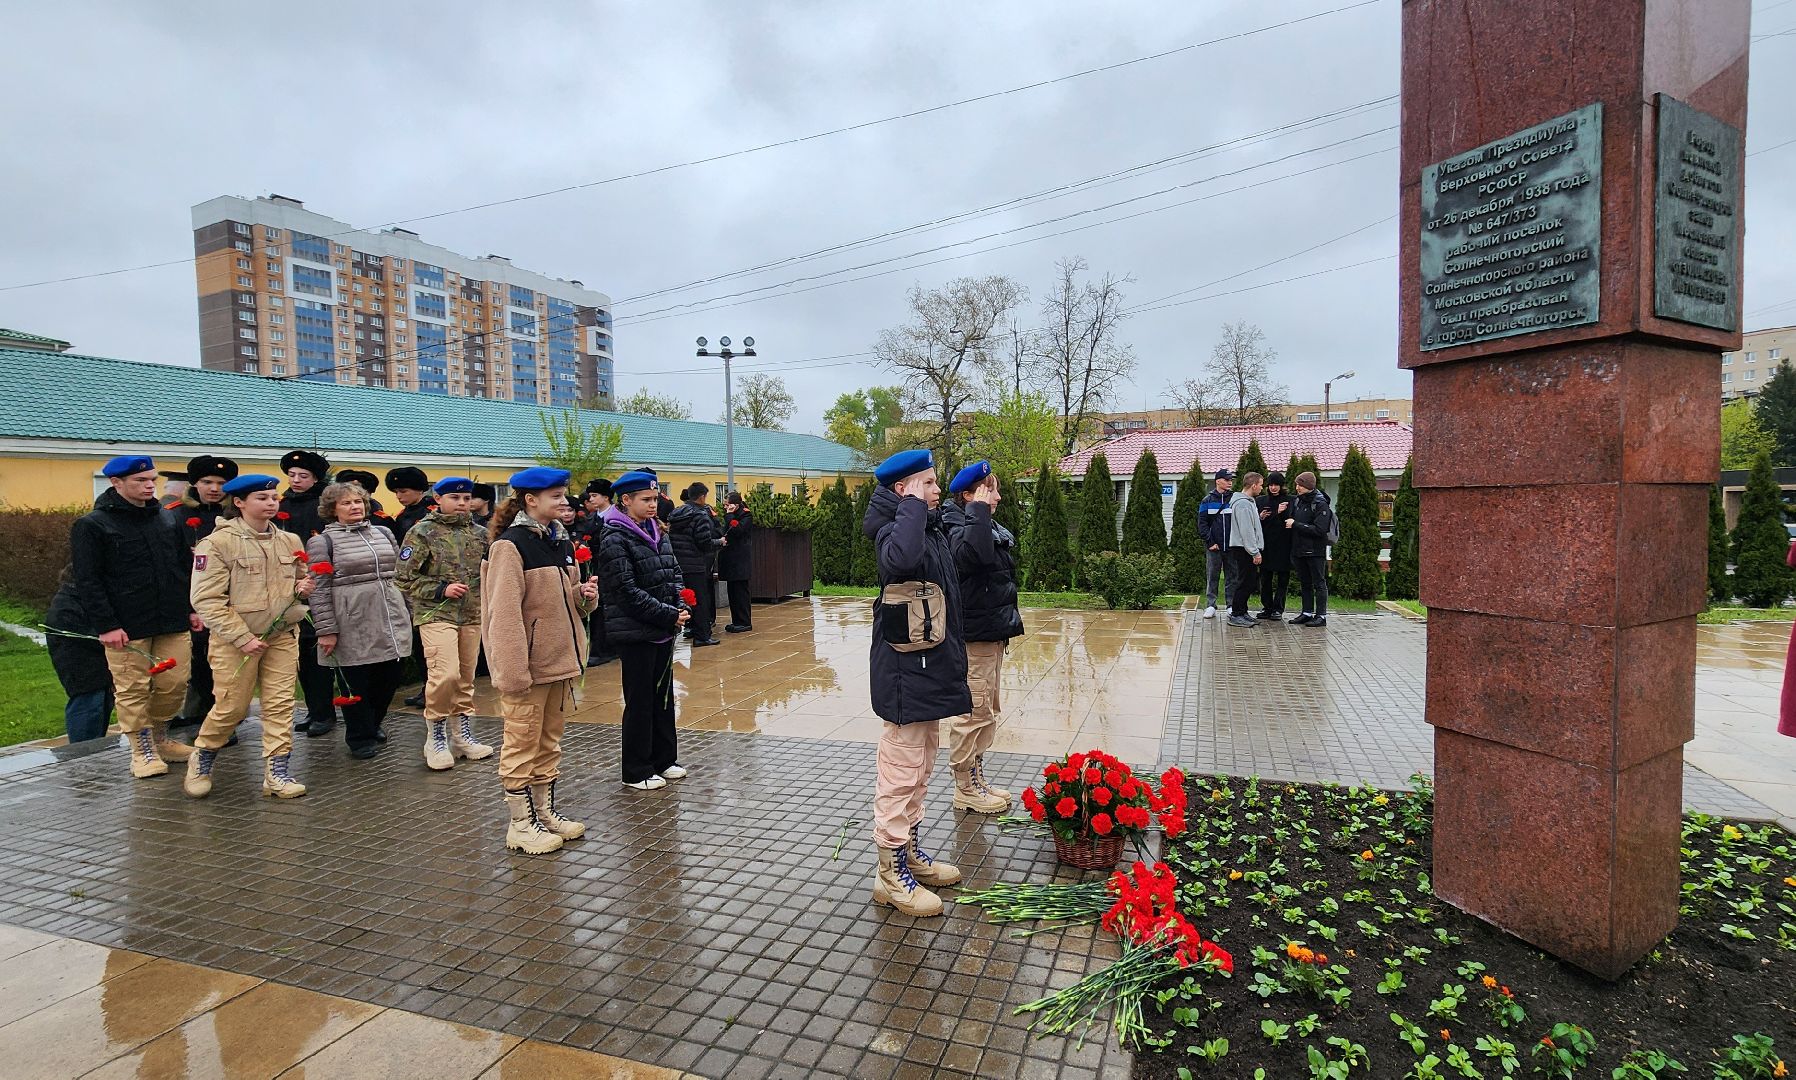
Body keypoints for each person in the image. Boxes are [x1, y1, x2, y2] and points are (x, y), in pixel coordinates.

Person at [864, 448, 968, 918]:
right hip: (905, 676)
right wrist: (910, 504)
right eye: (927, 483)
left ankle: (908, 854)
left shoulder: (926, 525)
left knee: (921, 768)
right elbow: (900, 560)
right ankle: (890, 874)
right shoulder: (896, 529)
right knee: (901, 770)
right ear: (902, 490)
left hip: (927, 670)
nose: (937, 491)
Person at [483, 467, 599, 854]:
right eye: (556, 496)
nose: (565, 502)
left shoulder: (560, 541)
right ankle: (519, 825)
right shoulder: (510, 546)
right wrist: (513, 672)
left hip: (559, 662)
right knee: (520, 743)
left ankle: (545, 814)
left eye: (564, 495)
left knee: (549, 743)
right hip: (527, 669)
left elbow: (571, 606)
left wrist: (585, 595)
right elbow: (503, 614)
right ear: (530, 500)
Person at [185, 474, 316, 799]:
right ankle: (202, 755)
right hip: (236, 642)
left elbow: (300, 581)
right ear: (239, 503)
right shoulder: (217, 544)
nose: (271, 502)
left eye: (273, 497)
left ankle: (277, 773)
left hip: (282, 636)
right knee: (232, 706)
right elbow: (206, 599)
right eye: (262, 497)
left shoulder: (290, 541)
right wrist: (241, 636)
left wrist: (303, 590)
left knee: (280, 705)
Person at [67, 455, 199, 777]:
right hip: (126, 624)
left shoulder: (167, 519)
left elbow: (183, 567)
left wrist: (192, 608)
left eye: (152, 479)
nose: (149, 485)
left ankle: (160, 738)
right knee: (133, 687)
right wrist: (107, 625)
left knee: (175, 683)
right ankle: (141, 751)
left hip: (170, 618)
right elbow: (88, 580)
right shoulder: (92, 525)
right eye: (141, 481)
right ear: (116, 483)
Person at [597, 470, 691, 793]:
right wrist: (669, 614)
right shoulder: (614, 536)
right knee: (640, 701)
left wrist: (681, 602)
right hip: (637, 631)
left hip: (664, 627)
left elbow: (673, 572)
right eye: (646, 500)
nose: (653, 505)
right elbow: (626, 591)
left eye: (655, 499)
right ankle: (636, 769)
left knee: (663, 697)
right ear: (626, 500)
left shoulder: (657, 530)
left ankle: (664, 758)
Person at [307, 481, 412, 760]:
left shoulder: (383, 532)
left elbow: (401, 574)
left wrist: (409, 610)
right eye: (346, 503)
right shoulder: (322, 542)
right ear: (332, 509)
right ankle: (359, 736)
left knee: (388, 676)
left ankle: (373, 723)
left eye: (358, 502)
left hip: (389, 613)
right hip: (350, 617)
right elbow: (318, 589)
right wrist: (326, 629)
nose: (354, 507)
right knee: (355, 681)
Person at [397, 477, 495, 769]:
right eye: (454, 498)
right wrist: (441, 589)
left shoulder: (480, 534)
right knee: (445, 675)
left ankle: (461, 737)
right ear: (437, 499)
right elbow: (403, 577)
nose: (462, 504)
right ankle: (435, 736)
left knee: (466, 678)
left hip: (471, 614)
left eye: (466, 499)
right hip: (435, 613)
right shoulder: (422, 532)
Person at [942, 460, 1022, 815]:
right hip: (973, 636)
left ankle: (976, 778)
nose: (999, 498)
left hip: (990, 632)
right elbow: (972, 556)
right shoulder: (955, 524)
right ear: (968, 495)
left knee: (987, 710)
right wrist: (977, 507)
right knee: (971, 712)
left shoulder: (978, 523)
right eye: (991, 490)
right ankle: (964, 788)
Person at [168, 454, 237, 733]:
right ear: (194, 483)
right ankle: (196, 714)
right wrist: (189, 608)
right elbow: (173, 565)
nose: (214, 488)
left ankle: (224, 719)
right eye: (207, 482)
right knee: (197, 662)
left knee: (226, 664)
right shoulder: (175, 515)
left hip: (232, 600)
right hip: (194, 600)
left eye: (221, 483)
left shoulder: (236, 514)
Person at [280, 450, 339, 738]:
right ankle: (315, 709)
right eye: (291, 475)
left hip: (321, 582)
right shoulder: (281, 504)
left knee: (321, 651)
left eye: (303, 476)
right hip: (290, 585)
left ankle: (327, 712)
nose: (296, 480)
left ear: (315, 478)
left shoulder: (323, 506)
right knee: (301, 652)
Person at [45, 566, 114, 743]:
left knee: (99, 707)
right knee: (88, 708)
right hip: (82, 670)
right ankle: (81, 750)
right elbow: (88, 635)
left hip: (93, 669)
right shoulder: (66, 605)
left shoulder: (72, 600)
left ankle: (93, 745)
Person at [670, 482, 725, 648]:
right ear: (702, 497)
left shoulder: (676, 513)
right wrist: (719, 542)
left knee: (686, 596)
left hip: (679, 563)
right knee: (700, 599)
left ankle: (690, 628)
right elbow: (704, 542)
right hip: (695, 563)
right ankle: (702, 635)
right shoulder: (699, 514)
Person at [574, 480, 618, 664]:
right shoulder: (592, 518)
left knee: (612, 608)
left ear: (606, 497)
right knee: (598, 610)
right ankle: (599, 649)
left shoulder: (616, 517)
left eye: (594, 496)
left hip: (612, 568)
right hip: (594, 569)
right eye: (590, 496)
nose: (590, 499)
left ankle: (609, 648)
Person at [1289, 471, 1334, 628]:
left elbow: (1320, 530)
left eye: (1300, 485)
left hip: (1315, 551)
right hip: (1299, 550)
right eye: (1297, 484)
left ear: (1308, 486)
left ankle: (1321, 615)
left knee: (1319, 583)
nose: (1297, 488)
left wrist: (1295, 524)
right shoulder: (1298, 502)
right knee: (1305, 582)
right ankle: (1307, 612)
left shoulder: (1320, 504)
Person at [1226, 472, 1265, 628]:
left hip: (1245, 548)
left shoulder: (1249, 502)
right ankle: (1236, 614)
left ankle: (1242, 611)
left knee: (1249, 581)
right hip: (1244, 548)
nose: (1262, 488)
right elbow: (1246, 530)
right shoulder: (1243, 504)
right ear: (1254, 485)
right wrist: (1254, 551)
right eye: (1261, 485)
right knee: (1245, 582)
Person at [1257, 471, 1296, 621]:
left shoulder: (1290, 500)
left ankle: (1278, 609)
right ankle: (1267, 607)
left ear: (1282, 486)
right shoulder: (1260, 501)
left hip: (1284, 545)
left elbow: (1290, 522)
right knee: (1265, 578)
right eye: (1271, 485)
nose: (1273, 488)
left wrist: (1281, 513)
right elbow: (1256, 523)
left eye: (1276, 485)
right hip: (1266, 545)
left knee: (1282, 579)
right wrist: (1262, 517)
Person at [1197, 469, 1235, 620]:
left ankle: (1231, 605)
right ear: (1218, 481)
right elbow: (1202, 523)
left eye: (1231, 479)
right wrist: (1210, 542)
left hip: (1231, 546)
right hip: (1214, 547)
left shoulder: (1234, 499)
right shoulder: (1207, 500)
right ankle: (1211, 605)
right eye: (1226, 479)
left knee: (1232, 576)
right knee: (1212, 575)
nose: (1230, 482)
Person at [719, 490, 755, 633]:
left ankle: (744, 621)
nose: (726, 507)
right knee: (732, 592)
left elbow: (737, 530)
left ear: (736, 505)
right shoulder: (732, 515)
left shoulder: (746, 515)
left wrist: (729, 515)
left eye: (728, 505)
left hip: (740, 560)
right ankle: (736, 621)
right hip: (730, 559)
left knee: (741, 592)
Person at [386, 467, 435, 542]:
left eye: (403, 491)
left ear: (419, 490)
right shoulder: (401, 516)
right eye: (396, 492)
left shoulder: (435, 512)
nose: (398, 496)